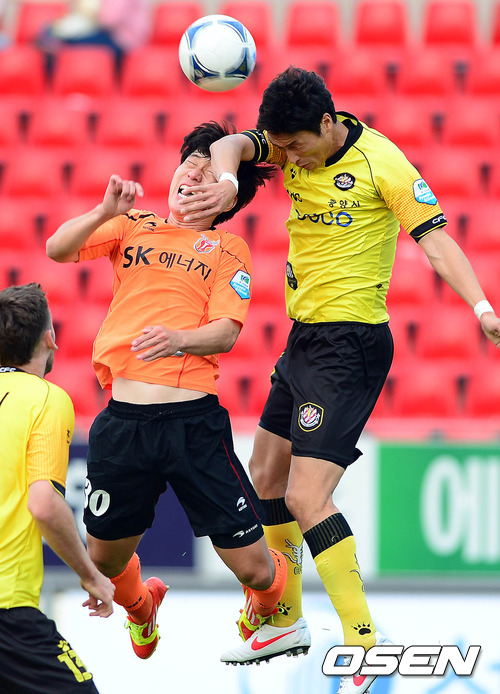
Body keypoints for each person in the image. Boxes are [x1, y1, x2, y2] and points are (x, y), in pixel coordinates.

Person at [176, 67, 500, 692]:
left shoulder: (384, 164)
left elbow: (437, 243)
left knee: (306, 498)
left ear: (328, 123)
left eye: (297, 146)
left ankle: (363, 642)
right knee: (265, 474)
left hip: (350, 347)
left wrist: (482, 308)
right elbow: (231, 145)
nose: (289, 159)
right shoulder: (286, 142)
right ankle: (286, 618)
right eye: (282, 148)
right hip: (304, 339)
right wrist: (226, 180)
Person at [45, 121, 290, 662]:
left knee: (257, 571)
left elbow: (226, 332)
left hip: (193, 425)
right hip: (124, 424)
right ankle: (142, 606)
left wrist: (179, 339)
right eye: (189, 163)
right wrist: (103, 211)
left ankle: (268, 599)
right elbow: (57, 249)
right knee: (103, 562)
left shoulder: (227, 249)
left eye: (207, 170)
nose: (193, 173)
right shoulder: (132, 225)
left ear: (226, 197)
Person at [0, 282, 115, 694]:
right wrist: (92, 576)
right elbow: (45, 505)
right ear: (50, 338)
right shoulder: (46, 399)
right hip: (8, 610)